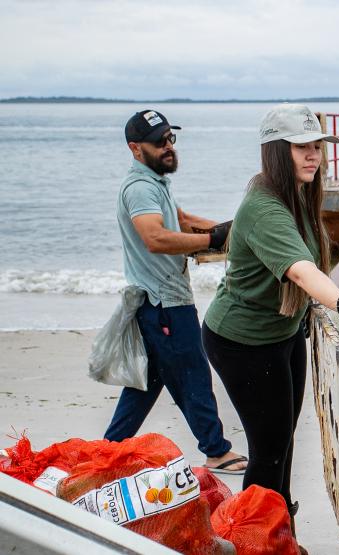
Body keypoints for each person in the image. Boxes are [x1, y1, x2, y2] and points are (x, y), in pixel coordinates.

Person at [201, 104, 339, 534]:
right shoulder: (265, 208)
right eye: (301, 147)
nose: (313, 156)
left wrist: (327, 306)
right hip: (242, 341)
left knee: (282, 442)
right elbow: (301, 271)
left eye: (318, 146)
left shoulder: (298, 195)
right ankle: (252, 537)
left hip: (283, 332)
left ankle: (280, 530)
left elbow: (308, 269)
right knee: (267, 451)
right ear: (274, 151)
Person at [106, 109, 247, 475]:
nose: (169, 146)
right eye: (159, 142)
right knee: (193, 374)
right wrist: (209, 239)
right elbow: (155, 237)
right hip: (164, 304)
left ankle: (109, 451)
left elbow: (181, 220)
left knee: (146, 385)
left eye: (171, 138)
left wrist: (235, 229)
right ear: (135, 148)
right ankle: (216, 450)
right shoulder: (139, 189)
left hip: (159, 304)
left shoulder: (156, 183)